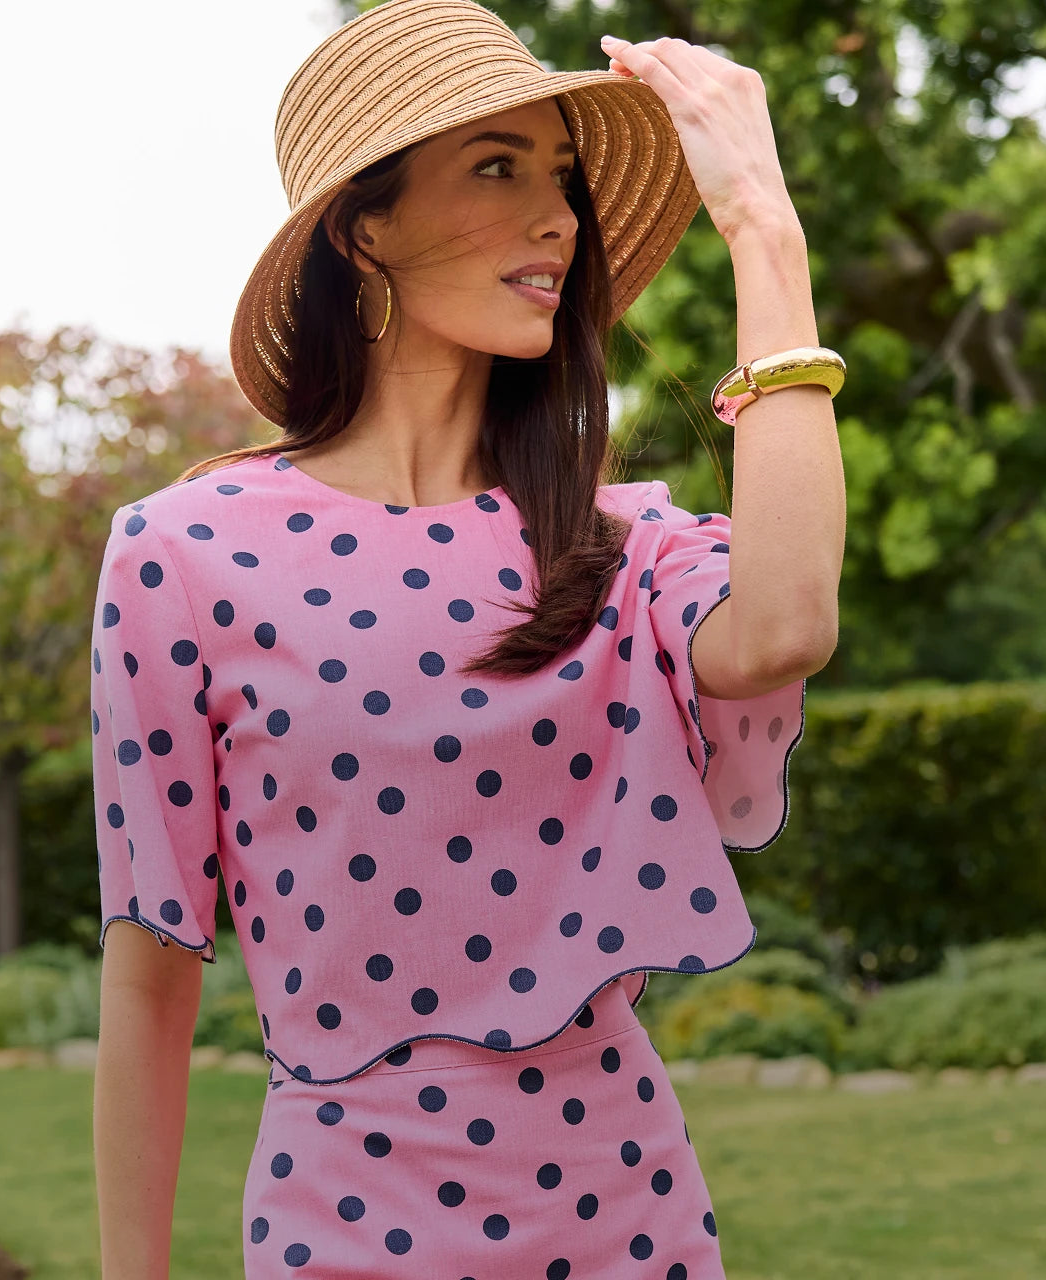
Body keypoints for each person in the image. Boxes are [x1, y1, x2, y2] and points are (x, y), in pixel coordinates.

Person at [90, 1, 846, 1276]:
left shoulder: (617, 541)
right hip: (342, 1228)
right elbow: (149, 965)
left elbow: (783, 625)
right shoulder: (182, 551)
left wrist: (761, 227)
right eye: (497, 167)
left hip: (630, 1221)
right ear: (362, 227)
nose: (557, 217)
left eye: (560, 177)